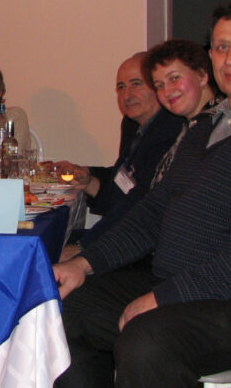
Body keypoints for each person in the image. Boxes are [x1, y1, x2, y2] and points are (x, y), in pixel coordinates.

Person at [51, 0, 231, 388]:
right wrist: (85, 263)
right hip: (180, 283)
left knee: (147, 341)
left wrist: (165, 297)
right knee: (58, 305)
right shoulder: (207, 126)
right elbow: (154, 212)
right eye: (222, 47)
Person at [57, 52, 183, 259]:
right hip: (121, 233)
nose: (127, 95)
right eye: (121, 87)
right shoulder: (133, 125)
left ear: (158, 87)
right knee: (45, 239)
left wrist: (83, 248)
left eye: (136, 84)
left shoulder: (170, 132)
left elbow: (138, 204)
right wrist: (88, 180)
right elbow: (122, 183)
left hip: (147, 248)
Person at [143, 39, 223, 184]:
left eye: (174, 78)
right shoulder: (189, 127)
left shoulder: (221, 127)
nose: (167, 91)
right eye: (159, 86)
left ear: (202, 76)